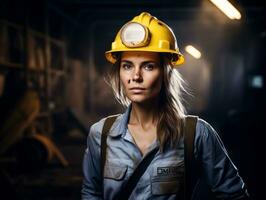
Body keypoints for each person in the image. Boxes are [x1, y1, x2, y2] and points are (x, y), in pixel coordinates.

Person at [81, 12, 249, 200]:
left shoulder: (196, 134)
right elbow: (91, 193)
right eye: (127, 66)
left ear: (166, 73)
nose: (135, 76)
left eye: (148, 66)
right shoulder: (101, 134)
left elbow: (234, 194)